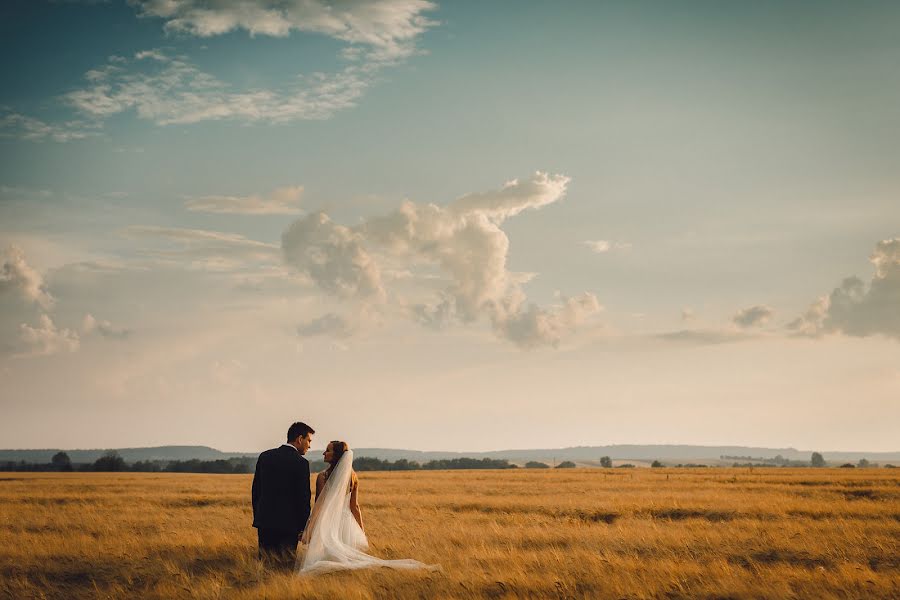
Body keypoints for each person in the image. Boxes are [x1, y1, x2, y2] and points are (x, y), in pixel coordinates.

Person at [298, 440, 437, 575]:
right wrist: (361, 531)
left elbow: (319, 506)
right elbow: (355, 507)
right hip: (347, 524)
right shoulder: (353, 477)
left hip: (329, 523)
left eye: (328, 450)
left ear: (336, 455)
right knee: (346, 563)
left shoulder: (323, 476)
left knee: (329, 561)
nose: (323, 453)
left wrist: (309, 529)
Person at [251, 421, 314, 570]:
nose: (309, 445)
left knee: (265, 567)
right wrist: (303, 527)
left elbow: (256, 492)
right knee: (285, 569)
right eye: (308, 441)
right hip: (289, 527)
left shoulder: (265, 457)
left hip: (265, 523)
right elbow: (303, 499)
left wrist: (259, 516)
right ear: (299, 439)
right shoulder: (301, 463)